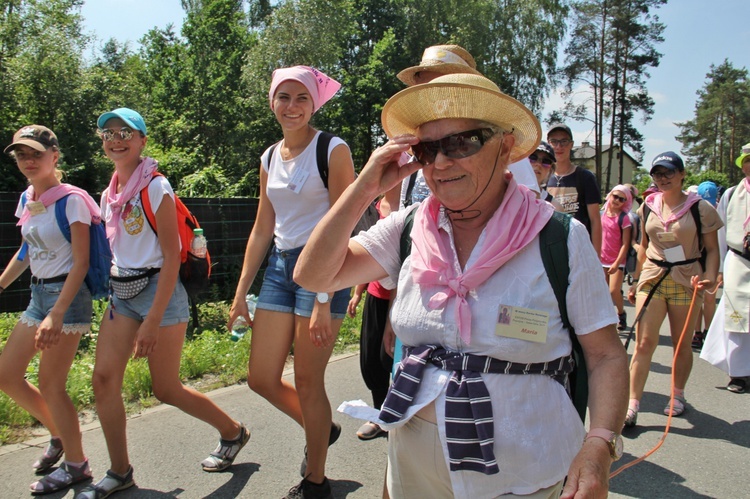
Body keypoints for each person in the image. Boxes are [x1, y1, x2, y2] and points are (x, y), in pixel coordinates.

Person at [295, 73, 628, 499]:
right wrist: (364, 191)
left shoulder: (560, 237)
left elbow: (604, 356)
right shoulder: (409, 226)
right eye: (426, 149)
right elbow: (313, 274)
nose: (439, 163)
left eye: (460, 143)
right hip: (413, 464)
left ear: (505, 147)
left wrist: (599, 445)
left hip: (523, 473)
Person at [77, 108, 249, 499]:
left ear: (142, 140)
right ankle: (120, 472)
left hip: (161, 293)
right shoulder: (109, 193)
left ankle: (233, 431)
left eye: (125, 132)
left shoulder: (156, 187)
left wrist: (152, 321)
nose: (116, 139)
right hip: (123, 292)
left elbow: (172, 256)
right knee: (103, 380)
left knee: (166, 388)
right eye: (108, 133)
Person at [228, 66, 354, 499]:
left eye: (302, 98)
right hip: (281, 270)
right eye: (284, 97)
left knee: (307, 381)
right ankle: (321, 426)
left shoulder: (332, 149)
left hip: (325, 269)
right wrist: (242, 291)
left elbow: (344, 224)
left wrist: (324, 295)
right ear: (272, 102)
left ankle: (315, 480)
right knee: (261, 377)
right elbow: (264, 227)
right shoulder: (268, 156)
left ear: (314, 103)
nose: (292, 106)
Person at [0, 125, 96, 494]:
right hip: (38, 295)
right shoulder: (29, 198)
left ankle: (77, 466)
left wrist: (57, 312)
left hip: (65, 298)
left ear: (55, 156)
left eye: (36, 154)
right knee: (7, 375)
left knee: (52, 386)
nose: (28, 161)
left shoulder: (72, 200)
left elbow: (82, 262)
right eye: (21, 154)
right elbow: (27, 251)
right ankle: (59, 435)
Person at [625, 152, 722, 427]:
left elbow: (712, 249)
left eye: (668, 172)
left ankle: (677, 395)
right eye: (657, 173)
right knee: (644, 343)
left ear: (682, 175)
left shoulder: (700, 208)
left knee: (681, 344)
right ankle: (632, 404)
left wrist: (711, 276)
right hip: (653, 278)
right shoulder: (648, 206)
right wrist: (635, 279)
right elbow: (643, 247)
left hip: (687, 279)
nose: (663, 178)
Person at [701, 145, 750, 393]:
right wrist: (718, 268)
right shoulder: (732, 194)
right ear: (742, 165)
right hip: (739, 259)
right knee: (737, 316)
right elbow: (720, 232)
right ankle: (739, 373)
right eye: (748, 160)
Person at [346, 201, 392, 441]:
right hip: (377, 295)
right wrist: (357, 292)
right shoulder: (376, 207)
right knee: (371, 361)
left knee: (391, 359)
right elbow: (371, 251)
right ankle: (379, 415)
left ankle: (397, 415)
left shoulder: (410, 201)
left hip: (403, 296)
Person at [546, 123, 603, 255]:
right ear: (549, 144)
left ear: (571, 144)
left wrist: (595, 257)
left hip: (579, 249)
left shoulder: (585, 177)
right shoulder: (544, 177)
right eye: (554, 141)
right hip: (551, 249)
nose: (559, 147)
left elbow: (595, 220)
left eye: (564, 141)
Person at [600, 185, 633, 330]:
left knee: (613, 291)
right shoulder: (600, 214)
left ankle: (621, 313)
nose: (617, 201)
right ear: (610, 195)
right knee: (603, 293)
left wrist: (617, 263)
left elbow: (625, 244)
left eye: (622, 199)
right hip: (600, 260)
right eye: (615, 196)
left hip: (617, 262)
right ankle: (607, 320)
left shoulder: (624, 218)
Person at [692, 180, 720, 349]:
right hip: (695, 259)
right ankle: (697, 332)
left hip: (712, 259)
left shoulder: (720, 212)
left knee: (709, 298)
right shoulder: (695, 210)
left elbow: (720, 245)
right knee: (696, 298)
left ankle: (708, 331)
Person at [530, 141, 563, 210]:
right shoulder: (507, 193)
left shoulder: (555, 206)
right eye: (533, 158)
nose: (538, 164)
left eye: (546, 161)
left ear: (551, 170)